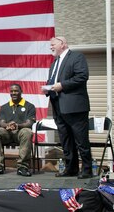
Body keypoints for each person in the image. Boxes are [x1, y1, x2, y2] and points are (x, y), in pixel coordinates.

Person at [42, 36, 92, 179]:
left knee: (81, 140)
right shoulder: (54, 63)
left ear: (62, 44)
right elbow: (52, 82)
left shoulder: (76, 57)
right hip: (58, 107)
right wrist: (48, 88)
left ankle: (87, 169)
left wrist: (62, 85)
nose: (51, 47)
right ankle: (71, 168)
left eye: (53, 44)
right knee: (66, 140)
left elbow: (82, 76)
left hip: (75, 107)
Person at [0, 84, 35, 177]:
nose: (14, 93)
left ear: (21, 92)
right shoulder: (4, 107)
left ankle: (23, 167)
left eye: (16, 91)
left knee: (27, 131)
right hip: (7, 133)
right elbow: (1, 122)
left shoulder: (29, 106)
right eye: (12, 91)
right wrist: (8, 125)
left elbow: (29, 123)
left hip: (20, 133)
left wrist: (17, 125)